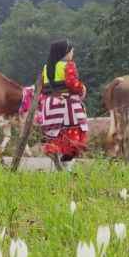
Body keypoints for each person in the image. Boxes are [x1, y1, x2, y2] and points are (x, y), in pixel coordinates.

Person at [39, 39, 88, 169]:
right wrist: (82, 88)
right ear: (65, 52)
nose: (72, 53)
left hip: (50, 106)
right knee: (71, 135)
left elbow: (43, 88)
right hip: (66, 105)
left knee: (56, 135)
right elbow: (73, 83)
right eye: (71, 51)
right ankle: (67, 168)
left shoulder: (45, 68)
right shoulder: (68, 65)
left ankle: (58, 167)